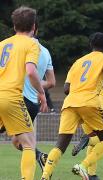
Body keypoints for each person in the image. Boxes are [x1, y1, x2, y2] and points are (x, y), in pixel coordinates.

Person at [41, 32, 103, 180]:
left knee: (60, 145)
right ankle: (83, 166)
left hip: (70, 103)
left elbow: (65, 88)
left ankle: (45, 175)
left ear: (91, 45)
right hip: (91, 102)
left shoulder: (78, 62)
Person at [0, 6, 47, 180]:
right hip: (11, 97)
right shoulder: (31, 44)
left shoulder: (2, 44)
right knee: (28, 144)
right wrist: (41, 93)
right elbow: (31, 72)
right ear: (34, 27)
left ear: (14, 26)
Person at [10, 21, 55, 172]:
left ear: (15, 27)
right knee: (18, 142)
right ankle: (40, 156)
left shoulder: (11, 46)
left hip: (13, 98)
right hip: (31, 103)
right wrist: (38, 88)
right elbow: (51, 82)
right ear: (35, 28)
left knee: (25, 143)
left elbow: (28, 71)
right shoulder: (46, 52)